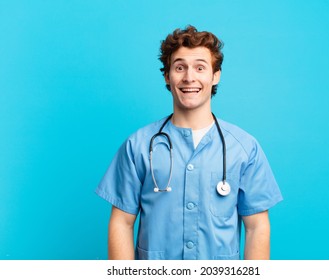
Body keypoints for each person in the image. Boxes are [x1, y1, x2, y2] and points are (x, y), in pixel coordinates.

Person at [96, 25, 283, 260]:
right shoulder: (139, 146)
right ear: (167, 75)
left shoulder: (245, 148)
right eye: (180, 67)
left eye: (200, 67)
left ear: (215, 76)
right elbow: (121, 223)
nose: (189, 77)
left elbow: (257, 227)